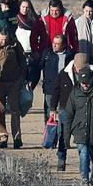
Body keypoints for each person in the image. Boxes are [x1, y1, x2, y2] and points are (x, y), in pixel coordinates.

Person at [63, 63, 93, 186]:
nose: (85, 85)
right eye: (82, 83)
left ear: (92, 80)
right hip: (80, 132)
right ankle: (85, 183)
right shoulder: (74, 94)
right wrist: (66, 137)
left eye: (87, 82)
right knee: (84, 156)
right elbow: (68, 116)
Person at [41, 33, 74, 163]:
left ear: (64, 45)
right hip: (50, 88)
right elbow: (39, 67)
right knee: (50, 113)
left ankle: (64, 139)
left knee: (64, 115)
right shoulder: (47, 54)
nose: (54, 45)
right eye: (53, 42)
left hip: (66, 90)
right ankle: (51, 138)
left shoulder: (71, 55)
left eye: (57, 43)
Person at [0, 25, 27, 148]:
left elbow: (23, 60)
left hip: (14, 82)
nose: (4, 41)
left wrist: (22, 77)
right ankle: (2, 136)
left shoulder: (15, 44)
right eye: (1, 39)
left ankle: (17, 138)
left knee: (15, 110)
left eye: (5, 39)